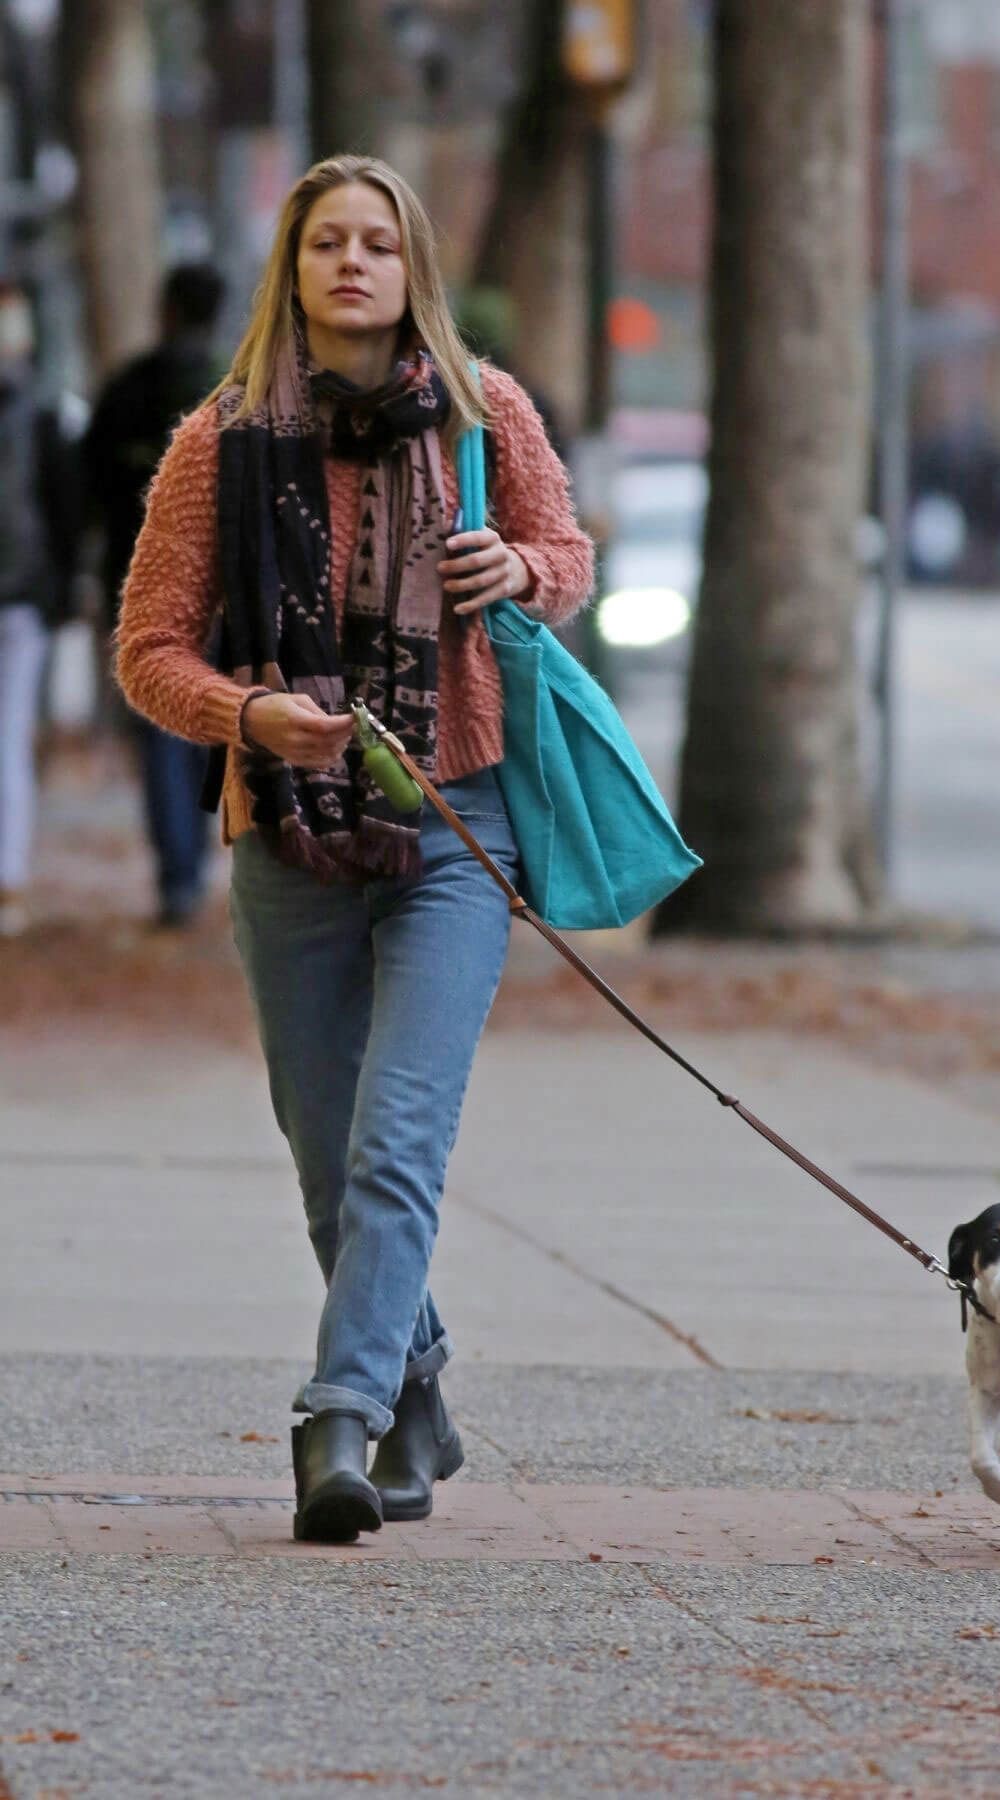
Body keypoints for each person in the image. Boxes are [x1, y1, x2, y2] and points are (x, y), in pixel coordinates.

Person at [115, 155, 593, 1542]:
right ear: (294, 265)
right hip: (287, 829)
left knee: (398, 1140)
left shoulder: (485, 415)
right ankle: (418, 1394)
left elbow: (566, 555)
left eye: (378, 242)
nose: (352, 263)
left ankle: (340, 1416)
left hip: (460, 818)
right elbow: (148, 650)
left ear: (411, 267)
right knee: (326, 1153)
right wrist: (248, 711)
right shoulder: (220, 441)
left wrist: (522, 572)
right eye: (328, 241)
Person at [84, 263, 227, 927]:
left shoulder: (127, 390)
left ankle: (179, 875)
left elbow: (86, 487)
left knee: (163, 730)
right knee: (214, 722)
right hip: (227, 593)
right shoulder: (234, 388)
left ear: (167, 309)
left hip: (136, 586)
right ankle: (196, 856)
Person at [0, 282, 80, 938]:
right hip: (23, 602)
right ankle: (10, 879)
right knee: (9, 737)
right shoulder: (44, 415)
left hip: (24, 599)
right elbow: (66, 515)